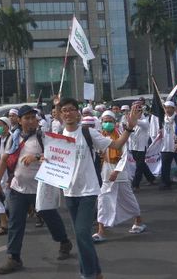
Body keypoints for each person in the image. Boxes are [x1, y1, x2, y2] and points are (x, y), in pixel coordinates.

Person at [58, 98, 143, 279]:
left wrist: (129, 127)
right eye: (64, 110)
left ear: (78, 113)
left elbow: (117, 145)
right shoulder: (59, 135)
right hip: (69, 192)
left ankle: (87, 274)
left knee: (82, 233)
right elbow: (55, 160)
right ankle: (96, 272)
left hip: (88, 191)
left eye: (71, 110)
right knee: (83, 237)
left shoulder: (87, 132)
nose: (68, 113)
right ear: (59, 114)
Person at [0, 105, 73, 275]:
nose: (30, 121)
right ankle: (14, 258)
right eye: (26, 118)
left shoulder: (44, 137)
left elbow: (59, 154)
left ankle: (64, 242)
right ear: (20, 121)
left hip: (40, 188)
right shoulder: (13, 138)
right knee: (15, 222)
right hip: (17, 188)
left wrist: (36, 157)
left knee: (51, 217)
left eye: (33, 118)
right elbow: (4, 160)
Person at [93, 111, 147, 243]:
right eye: (105, 121)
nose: (107, 123)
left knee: (128, 199)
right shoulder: (101, 136)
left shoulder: (121, 135)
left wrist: (116, 171)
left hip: (121, 173)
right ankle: (101, 230)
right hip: (106, 172)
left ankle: (139, 221)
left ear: (115, 122)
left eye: (110, 121)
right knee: (103, 200)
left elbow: (124, 156)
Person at [123, 102, 156, 191]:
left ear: (141, 111)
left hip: (141, 147)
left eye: (138, 111)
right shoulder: (130, 120)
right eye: (134, 110)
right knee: (142, 164)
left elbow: (138, 123)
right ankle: (151, 178)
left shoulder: (144, 121)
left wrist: (132, 119)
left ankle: (135, 184)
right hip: (133, 147)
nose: (136, 112)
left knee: (139, 166)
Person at [160, 101, 177, 190]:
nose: (168, 109)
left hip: (176, 146)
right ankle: (165, 183)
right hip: (165, 147)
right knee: (165, 166)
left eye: (170, 107)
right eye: (166, 107)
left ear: (174, 109)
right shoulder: (162, 119)